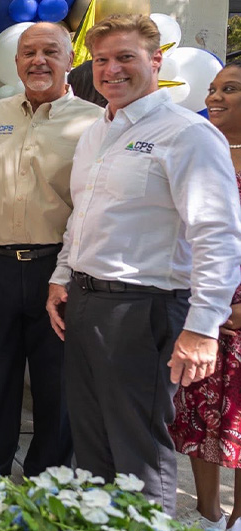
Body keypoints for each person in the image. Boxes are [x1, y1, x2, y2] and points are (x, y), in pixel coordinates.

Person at [46, 14, 241, 513]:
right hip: (85, 305)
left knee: (139, 457)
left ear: (155, 61)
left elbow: (218, 236)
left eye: (125, 57)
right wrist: (61, 277)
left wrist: (203, 327)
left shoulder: (188, 135)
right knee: (92, 446)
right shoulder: (96, 132)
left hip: (146, 309)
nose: (112, 70)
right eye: (103, 60)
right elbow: (82, 219)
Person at [0, 21, 103, 503]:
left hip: (61, 271)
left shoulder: (95, 122)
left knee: (58, 387)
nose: (38, 61)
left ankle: (47, 479)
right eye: (29, 52)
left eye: (51, 52)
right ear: (15, 62)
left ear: (69, 60)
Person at [169, 61, 241, 531]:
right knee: (198, 408)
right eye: (213, 88)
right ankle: (208, 512)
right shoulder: (200, 150)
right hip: (198, 304)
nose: (214, 96)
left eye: (229, 89)